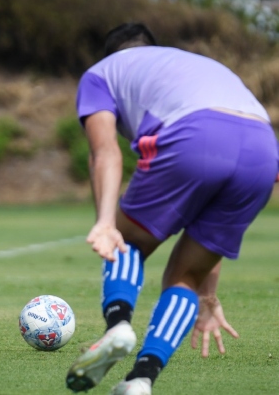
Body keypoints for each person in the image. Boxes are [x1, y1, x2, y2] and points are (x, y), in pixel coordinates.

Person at [65, 23, 277, 394]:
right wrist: (208, 297)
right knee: (186, 277)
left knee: (127, 240)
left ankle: (118, 327)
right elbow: (205, 226)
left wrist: (106, 222)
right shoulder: (186, 64)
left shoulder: (100, 74)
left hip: (196, 133)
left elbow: (104, 151)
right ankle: (140, 380)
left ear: (112, 56)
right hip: (264, 150)